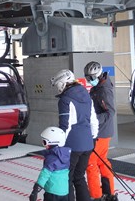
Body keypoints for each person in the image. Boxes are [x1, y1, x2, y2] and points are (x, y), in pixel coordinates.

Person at [51, 69, 99, 201]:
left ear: (62, 83)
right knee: (79, 176)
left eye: (57, 85)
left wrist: (59, 146)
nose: (57, 88)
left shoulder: (65, 100)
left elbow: (65, 126)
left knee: (67, 178)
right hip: (88, 143)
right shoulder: (86, 94)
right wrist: (93, 138)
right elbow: (93, 119)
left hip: (72, 145)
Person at [84, 62, 117, 201]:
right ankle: (109, 193)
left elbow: (110, 112)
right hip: (103, 131)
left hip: (100, 132)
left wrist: (92, 119)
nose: (89, 80)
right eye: (88, 77)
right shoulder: (98, 87)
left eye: (91, 77)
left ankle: (96, 196)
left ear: (98, 75)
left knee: (91, 163)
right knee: (102, 162)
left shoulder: (103, 90)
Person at [29, 127, 71, 201]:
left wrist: (35, 191)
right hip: (64, 192)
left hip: (52, 192)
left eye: (44, 142)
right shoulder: (65, 155)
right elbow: (51, 151)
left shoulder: (51, 159)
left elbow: (44, 175)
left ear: (52, 143)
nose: (43, 144)